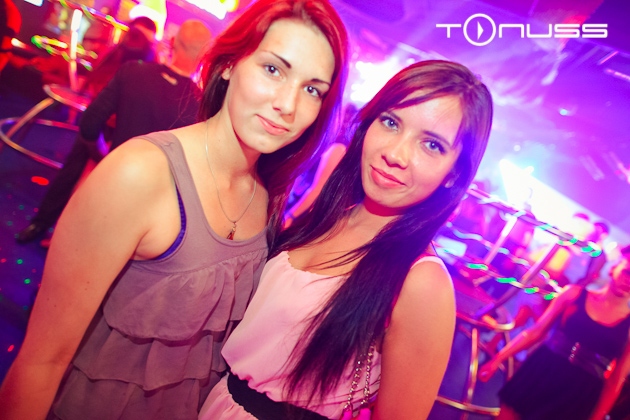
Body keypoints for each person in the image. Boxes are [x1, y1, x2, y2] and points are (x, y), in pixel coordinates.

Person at [0, 0, 348, 418]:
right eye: (273, 69)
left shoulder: (267, 198)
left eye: (312, 89)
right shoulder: (141, 173)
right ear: (229, 64)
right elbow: (41, 362)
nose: (288, 104)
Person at [199, 59, 494, 419]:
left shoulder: (423, 282)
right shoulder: (329, 217)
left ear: (454, 175)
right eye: (391, 123)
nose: (395, 154)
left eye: (431, 145)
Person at [15, 19, 209, 244]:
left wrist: (103, 155)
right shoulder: (200, 105)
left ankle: (43, 227)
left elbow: (90, 123)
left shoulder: (134, 72)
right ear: (204, 56)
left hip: (113, 174)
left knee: (77, 181)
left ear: (173, 42)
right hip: (150, 201)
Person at [478, 245, 630, 420]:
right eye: (627, 272)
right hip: (542, 369)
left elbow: (616, 380)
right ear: (613, 268)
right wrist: (498, 359)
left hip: (579, 392)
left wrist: (597, 417)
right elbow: (536, 331)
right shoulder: (573, 294)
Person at [284, 103, 357, 227]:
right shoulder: (326, 143)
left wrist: (291, 216)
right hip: (295, 200)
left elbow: (317, 188)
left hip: (300, 207)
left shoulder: (337, 148)